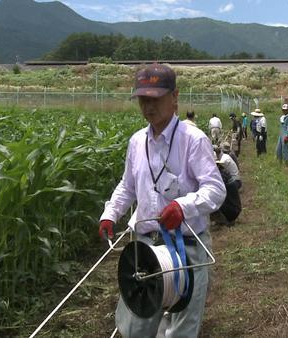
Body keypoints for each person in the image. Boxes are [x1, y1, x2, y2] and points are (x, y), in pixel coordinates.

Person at [98, 63, 226, 338]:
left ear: (175, 96)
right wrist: (110, 213)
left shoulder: (193, 140)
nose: (148, 106)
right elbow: (128, 185)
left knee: (181, 328)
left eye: (155, 98)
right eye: (143, 99)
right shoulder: (136, 142)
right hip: (145, 249)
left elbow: (215, 189)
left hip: (187, 247)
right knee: (136, 326)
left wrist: (183, 206)